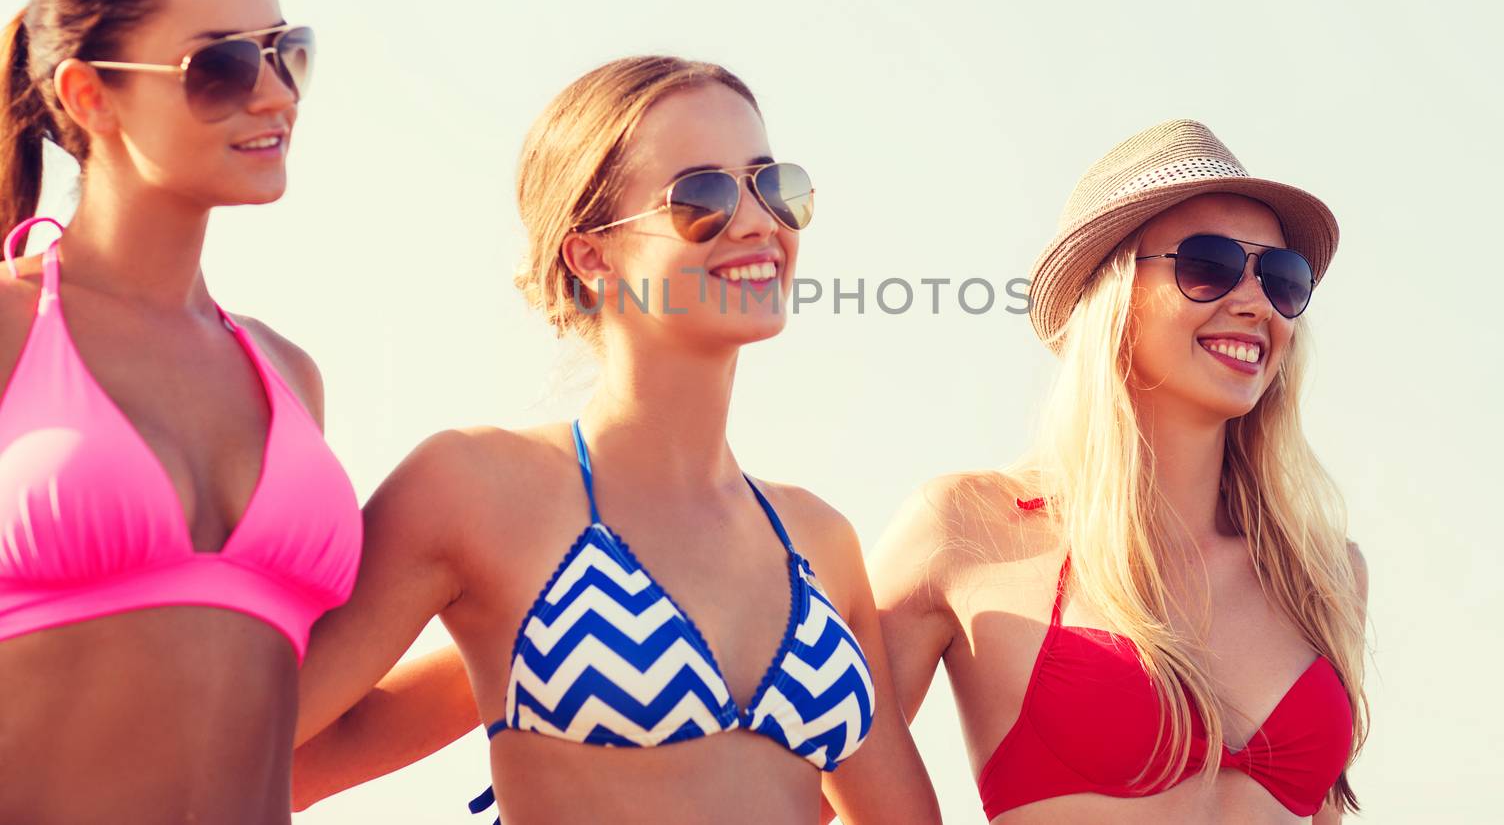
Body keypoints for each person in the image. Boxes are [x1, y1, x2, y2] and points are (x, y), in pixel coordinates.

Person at [291, 56, 938, 825]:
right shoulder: (471, 487)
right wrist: (502, 662)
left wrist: (517, 657)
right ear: (591, 253)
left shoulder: (821, 539)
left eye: (774, 183)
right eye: (703, 196)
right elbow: (240, 753)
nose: (760, 220)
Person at [871, 120, 1369, 823]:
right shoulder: (965, 528)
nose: (1257, 303)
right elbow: (802, 777)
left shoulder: (1324, 574)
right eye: (1210, 264)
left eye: (1283, 279)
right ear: (1111, 293)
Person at [0, 0, 361, 825]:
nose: (275, 92)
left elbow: (300, 724)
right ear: (89, 94)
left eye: (287, 53)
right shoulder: (9, 331)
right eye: (223, 65)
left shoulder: (290, 374)